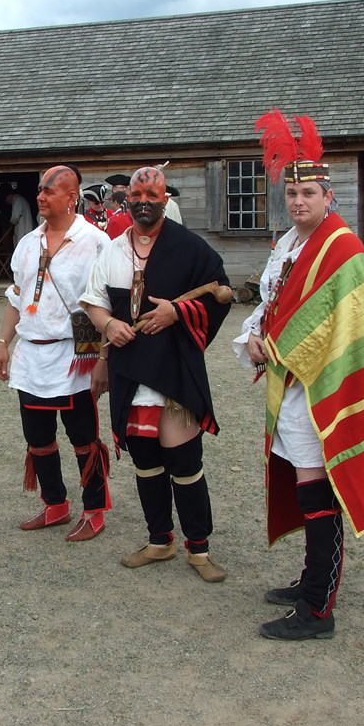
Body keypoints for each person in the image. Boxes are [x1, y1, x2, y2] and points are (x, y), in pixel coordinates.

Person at [234, 109, 364, 641]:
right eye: (291, 193)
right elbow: (270, 303)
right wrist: (253, 338)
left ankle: (318, 609)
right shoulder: (287, 245)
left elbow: (343, 325)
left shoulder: (344, 248)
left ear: (329, 196)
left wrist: (274, 348)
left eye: (309, 193)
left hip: (320, 386)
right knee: (304, 481)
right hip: (288, 383)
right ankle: (311, 580)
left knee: (317, 487)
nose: (299, 201)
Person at [81, 166, 232, 582]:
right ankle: (160, 539)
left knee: (183, 460)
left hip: (173, 368)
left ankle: (199, 548)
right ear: (126, 199)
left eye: (153, 195)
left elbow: (223, 293)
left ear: (166, 200)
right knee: (145, 460)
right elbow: (93, 302)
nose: (143, 201)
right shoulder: (111, 250)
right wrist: (108, 328)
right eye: (136, 195)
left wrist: (176, 311)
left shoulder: (190, 248)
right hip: (129, 369)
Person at [0, 165, 113, 541]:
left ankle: (94, 509)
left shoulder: (96, 241)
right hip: (32, 356)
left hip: (77, 355)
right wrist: (3, 344)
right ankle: (55, 504)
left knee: (83, 438)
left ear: (71, 195)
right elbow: (17, 295)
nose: (41, 197)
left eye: (49, 191)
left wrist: (104, 360)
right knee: (38, 438)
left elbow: (110, 303)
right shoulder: (28, 242)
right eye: (40, 191)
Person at [102, 173, 133, 238]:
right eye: (122, 187)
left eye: (126, 187)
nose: (124, 189)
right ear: (114, 189)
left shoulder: (131, 203)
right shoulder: (107, 205)